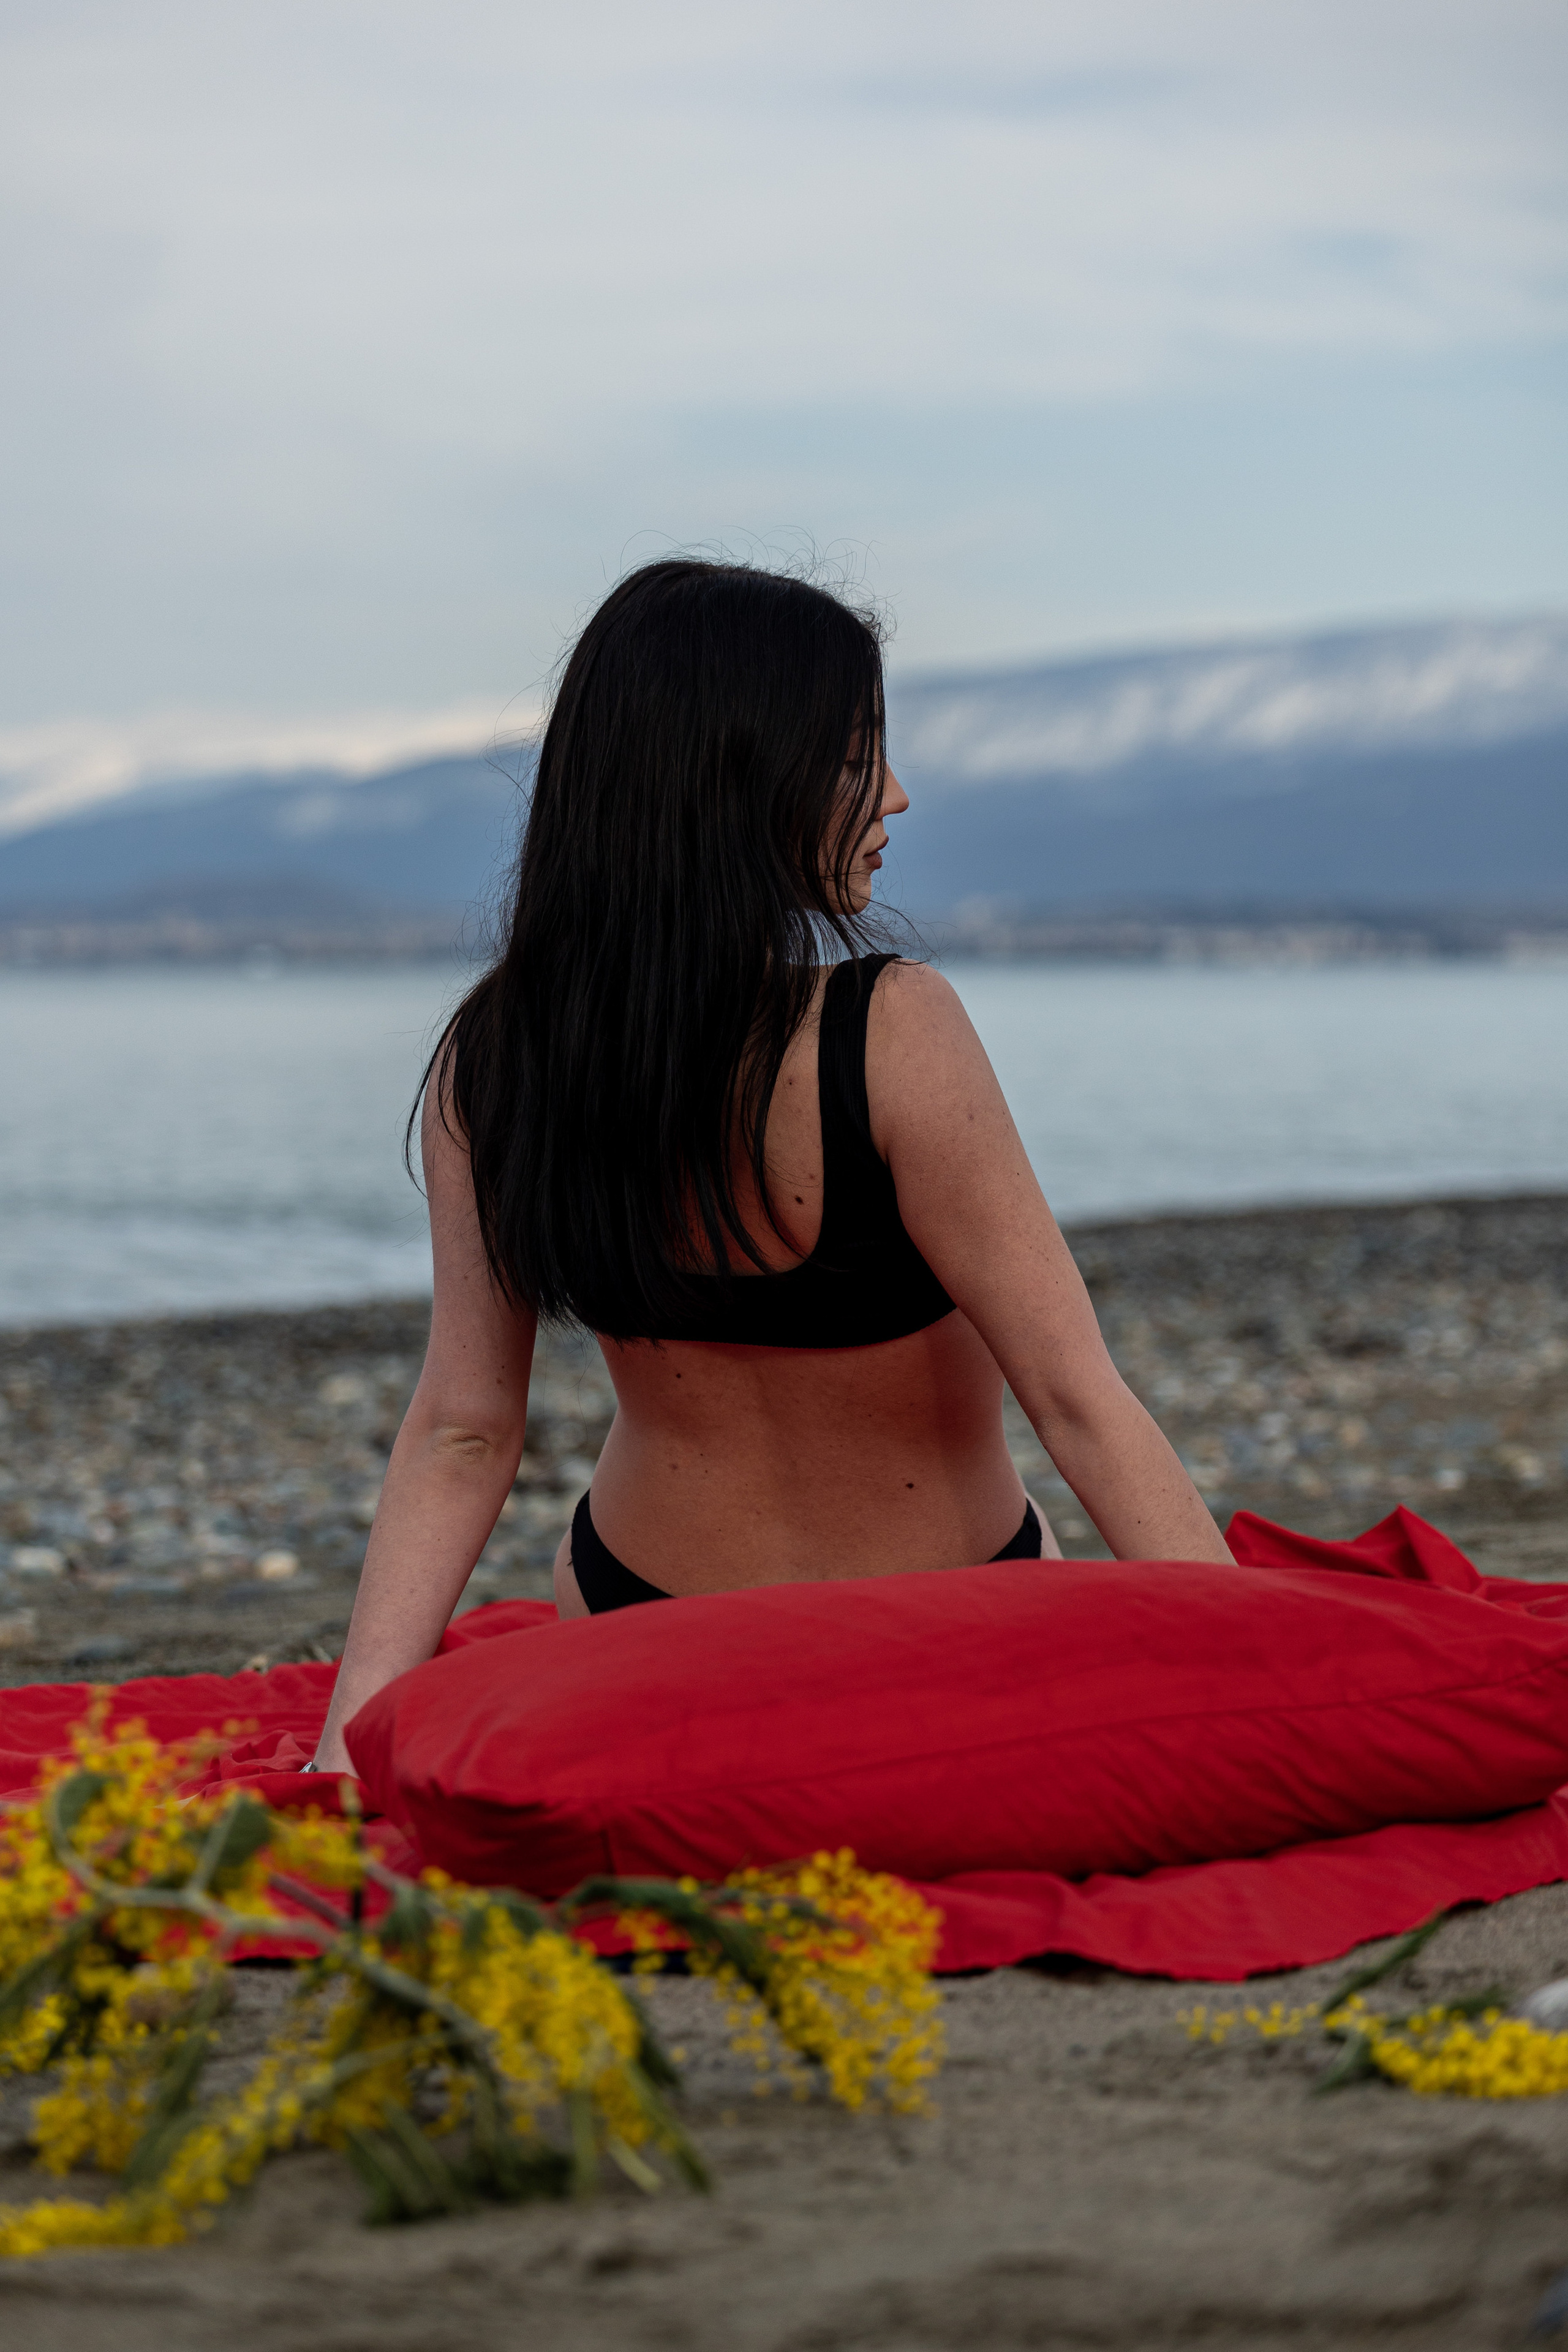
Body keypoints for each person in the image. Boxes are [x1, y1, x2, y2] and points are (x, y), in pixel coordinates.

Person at [309, 560, 1232, 1773]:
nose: (894, 796)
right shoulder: (892, 1028)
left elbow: (464, 1433)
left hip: (636, 1614)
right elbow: (1071, 1397)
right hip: (938, 1629)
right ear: (736, 782)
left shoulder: (494, 1057)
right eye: (855, 760)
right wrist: (1254, 1665)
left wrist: (344, 1747)